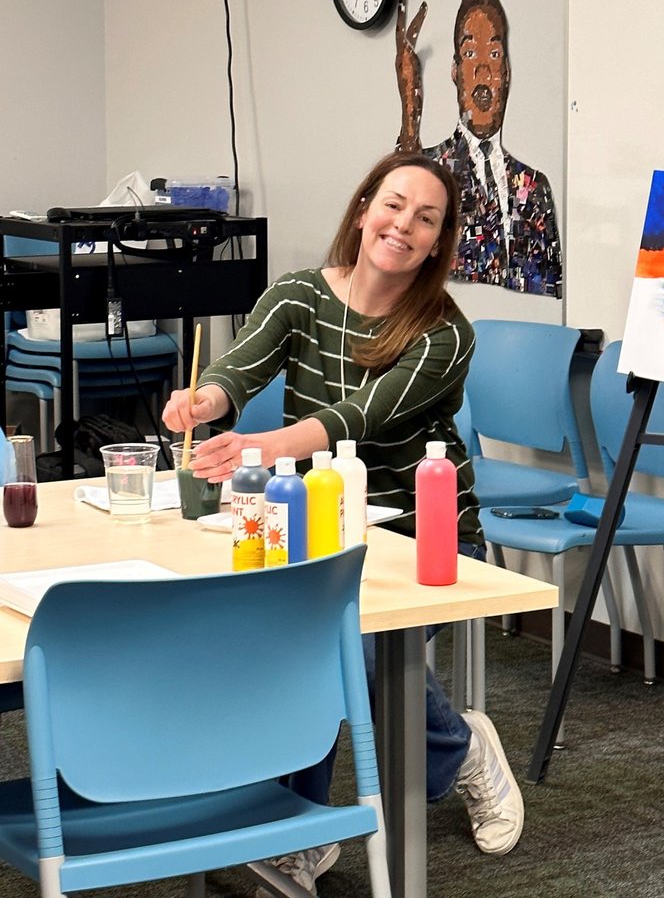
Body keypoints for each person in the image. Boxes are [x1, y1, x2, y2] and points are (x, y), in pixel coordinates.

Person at [162, 151, 524, 895]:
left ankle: (461, 754)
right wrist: (206, 401)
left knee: (350, 647)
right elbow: (240, 368)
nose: (404, 226)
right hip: (322, 523)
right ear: (364, 209)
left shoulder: (447, 335)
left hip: (428, 529)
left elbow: (359, 417)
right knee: (306, 642)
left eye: (426, 219)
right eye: (393, 206)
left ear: (437, 243)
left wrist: (264, 445)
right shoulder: (298, 294)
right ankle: (305, 824)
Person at [395, 0, 562, 297]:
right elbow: (400, 261)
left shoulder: (535, 187)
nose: (482, 70)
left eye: (495, 55)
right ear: (454, 72)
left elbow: (548, 289)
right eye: (470, 54)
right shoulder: (431, 172)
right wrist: (410, 116)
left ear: (507, 74)